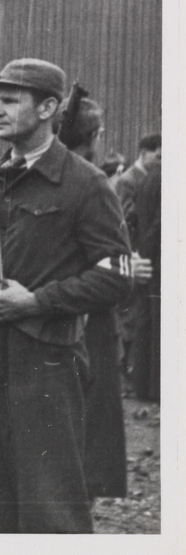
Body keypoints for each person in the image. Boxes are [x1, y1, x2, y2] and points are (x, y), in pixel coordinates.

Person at [0, 58, 131, 533]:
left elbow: (117, 276)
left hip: (44, 362)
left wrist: (39, 302)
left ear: (48, 107)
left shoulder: (86, 184)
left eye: (10, 100)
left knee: (50, 504)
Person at [54, 96, 136, 498]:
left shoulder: (77, 180)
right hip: (84, 329)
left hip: (71, 324)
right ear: (95, 137)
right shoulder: (93, 183)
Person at [127, 158, 160, 402]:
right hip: (158, 260)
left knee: (146, 321)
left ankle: (143, 385)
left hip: (146, 260)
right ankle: (157, 389)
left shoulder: (148, 176)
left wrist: (138, 253)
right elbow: (161, 223)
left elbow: (133, 217)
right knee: (159, 325)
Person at [113, 133, 160, 220]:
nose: (161, 162)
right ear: (144, 153)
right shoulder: (127, 180)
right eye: (158, 157)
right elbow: (124, 217)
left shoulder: (155, 178)